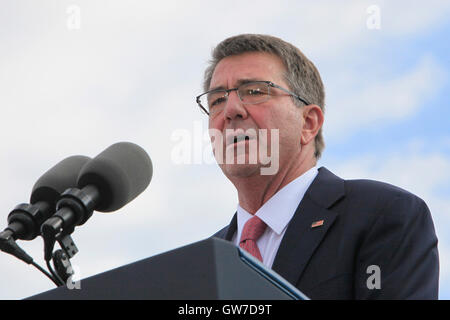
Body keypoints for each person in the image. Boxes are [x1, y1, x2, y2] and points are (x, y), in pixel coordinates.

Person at [195, 34, 439, 299]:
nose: (231, 110)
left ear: (308, 123)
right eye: (217, 100)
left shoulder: (383, 215)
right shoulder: (199, 265)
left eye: (254, 91)